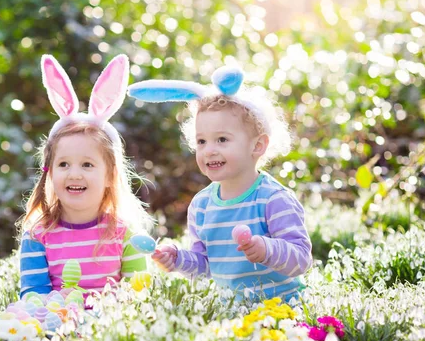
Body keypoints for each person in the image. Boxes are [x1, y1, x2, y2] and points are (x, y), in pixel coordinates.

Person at [127, 63, 312, 300]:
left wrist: (267, 249)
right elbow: (205, 266)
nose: (209, 151)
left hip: (281, 311)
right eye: (202, 141)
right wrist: (177, 259)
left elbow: (301, 260)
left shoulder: (273, 199)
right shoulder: (202, 205)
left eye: (222, 139)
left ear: (257, 145)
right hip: (231, 314)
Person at [18, 54, 153, 297]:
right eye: (64, 164)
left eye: (88, 165)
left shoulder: (126, 234)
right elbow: (33, 295)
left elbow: (138, 296)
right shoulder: (38, 236)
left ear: (110, 176)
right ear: (49, 173)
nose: (74, 174)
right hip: (56, 326)